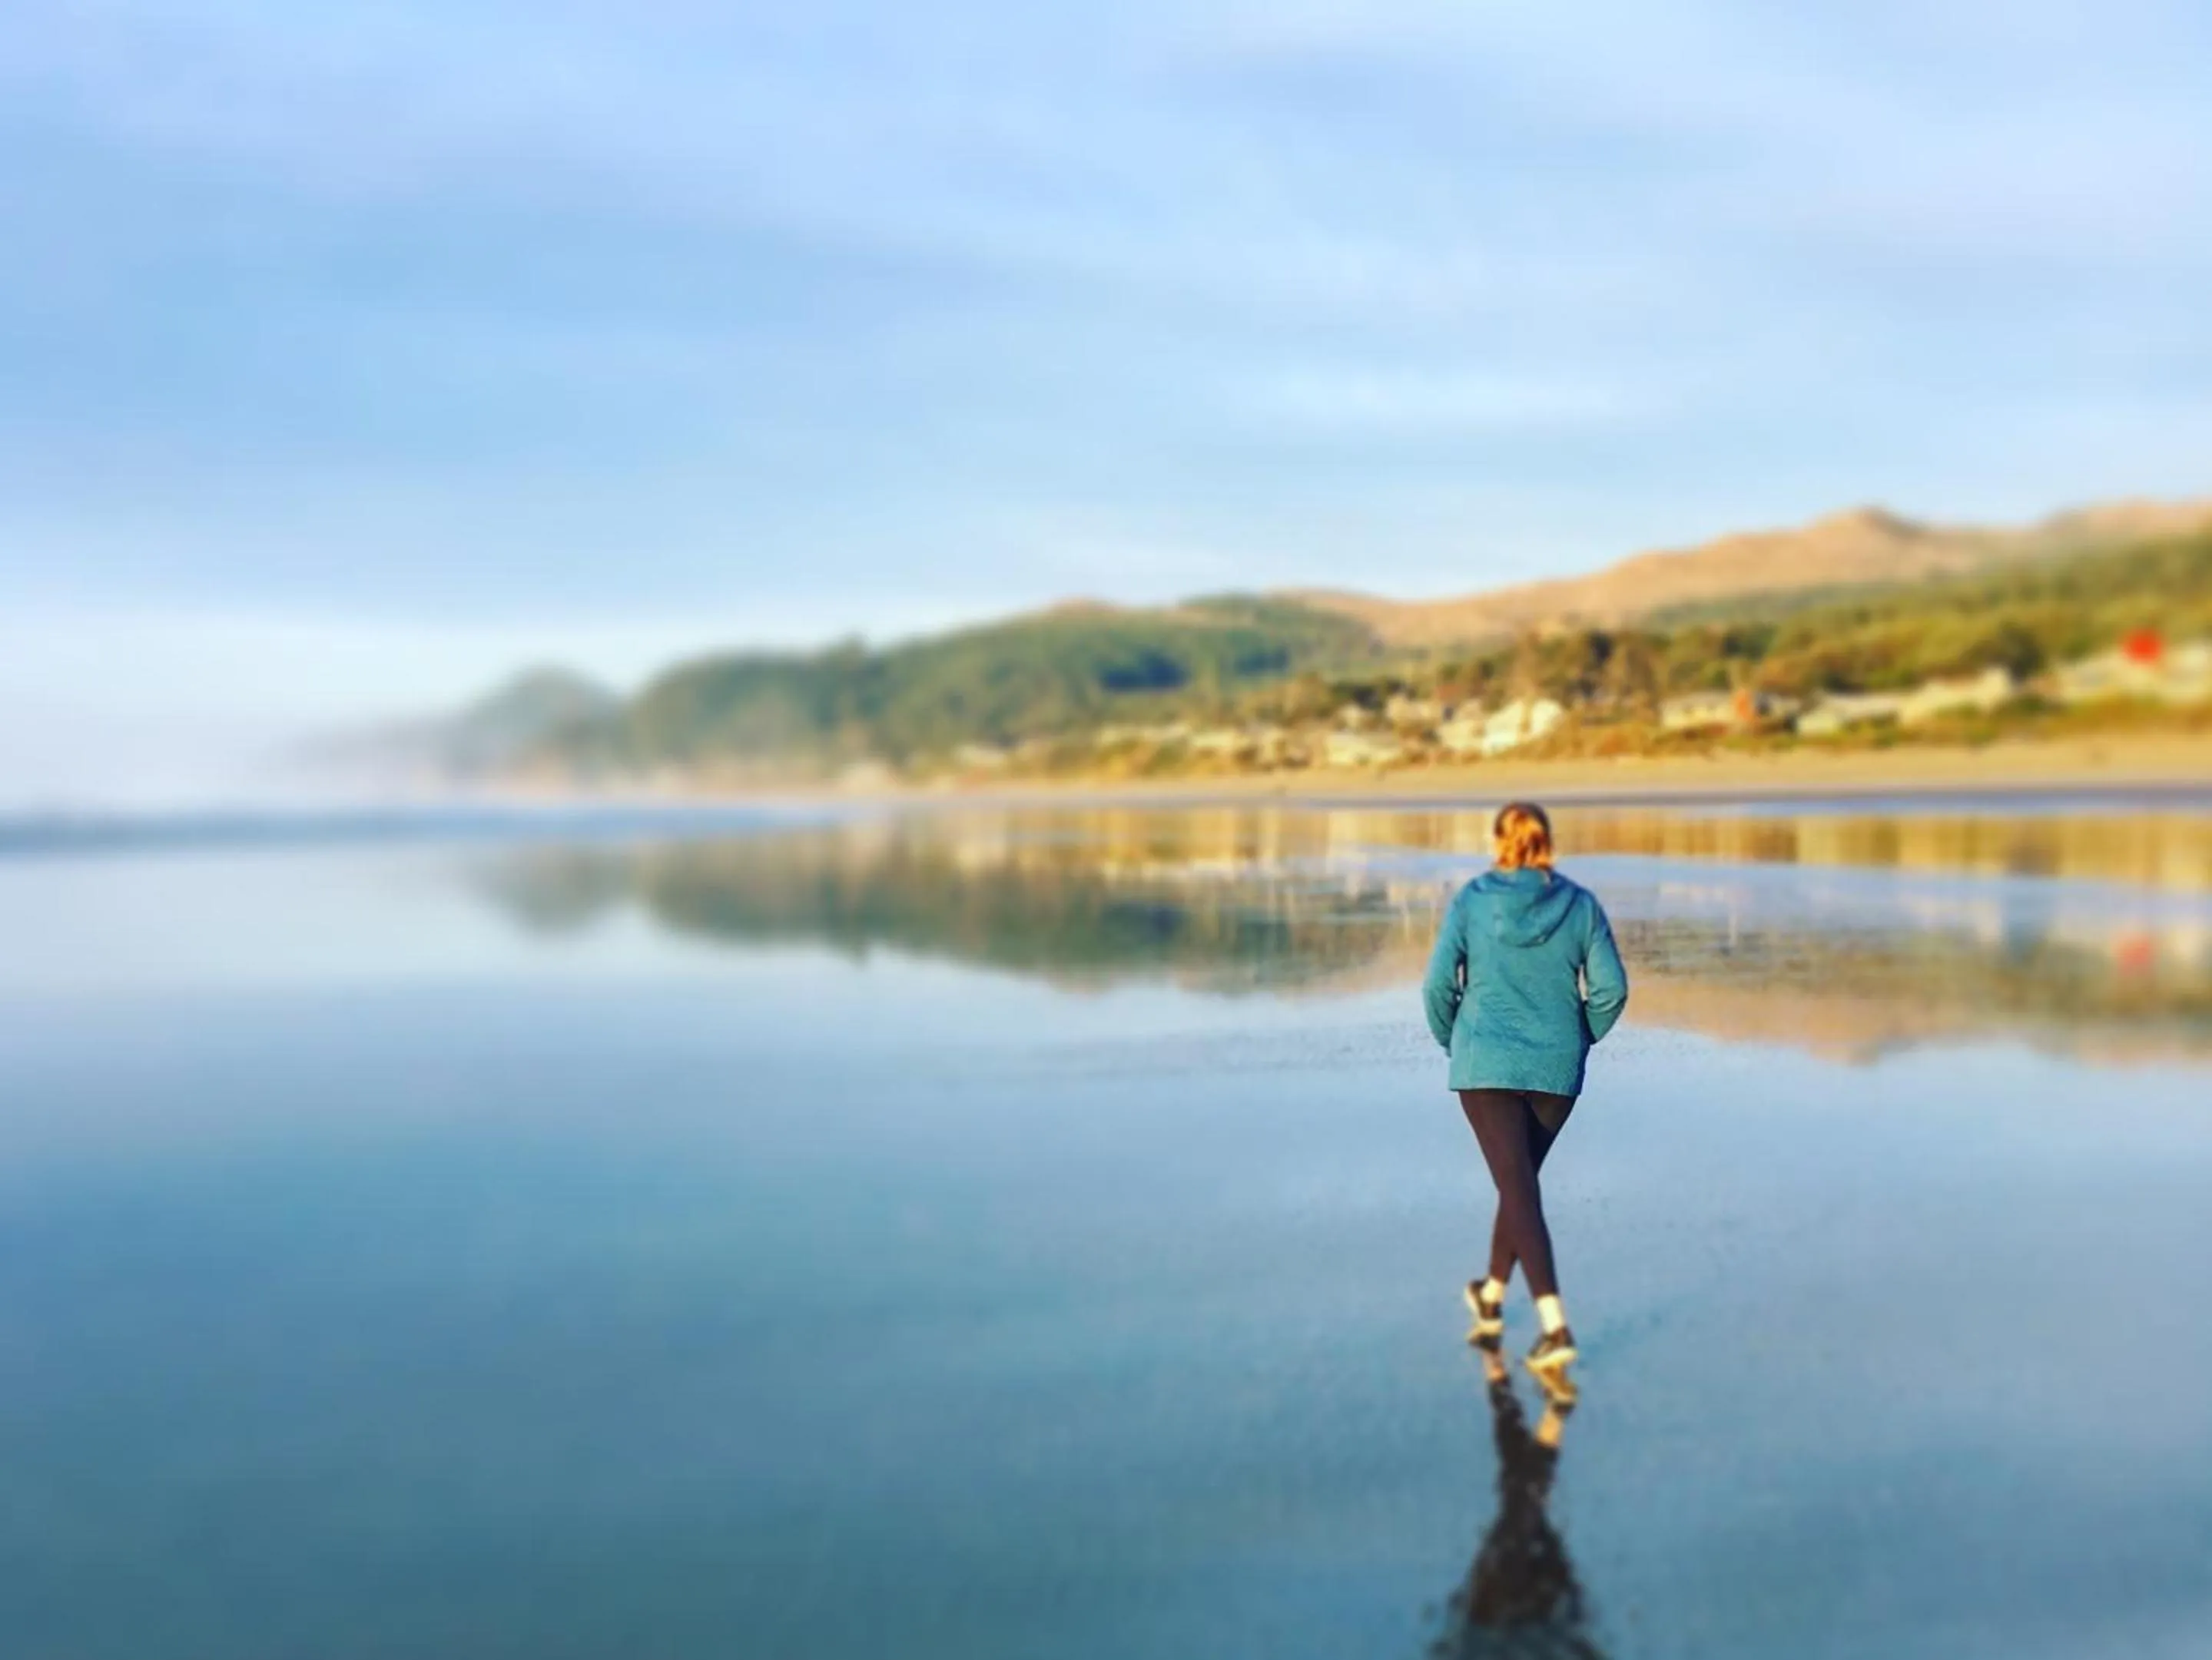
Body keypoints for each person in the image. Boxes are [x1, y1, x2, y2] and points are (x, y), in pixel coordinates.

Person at [1421, 801, 1627, 1383]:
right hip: (1555, 1073)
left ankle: (1554, 1326)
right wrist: (1577, 1036)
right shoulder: (1580, 903)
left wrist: (1456, 1042)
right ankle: (1489, 1295)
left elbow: (1436, 987)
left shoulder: (1472, 900)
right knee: (1518, 1187)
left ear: (1497, 842)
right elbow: (1611, 989)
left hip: (1484, 1065)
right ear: (1546, 841)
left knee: (1518, 1190)